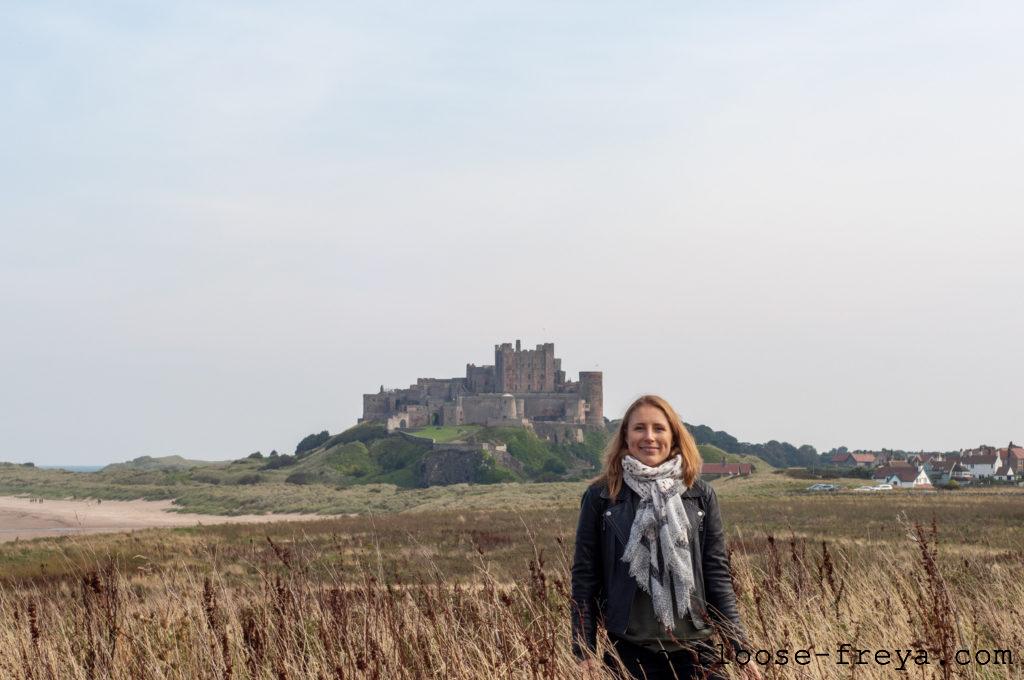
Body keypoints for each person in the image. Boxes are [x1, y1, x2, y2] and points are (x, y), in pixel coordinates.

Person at [571, 395, 761, 680]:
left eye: (658, 428)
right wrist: (583, 650)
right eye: (639, 428)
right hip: (629, 650)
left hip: (697, 649)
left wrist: (739, 647)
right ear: (626, 437)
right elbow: (585, 578)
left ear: (673, 436)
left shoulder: (699, 495)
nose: (649, 437)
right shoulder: (601, 496)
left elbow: (717, 575)